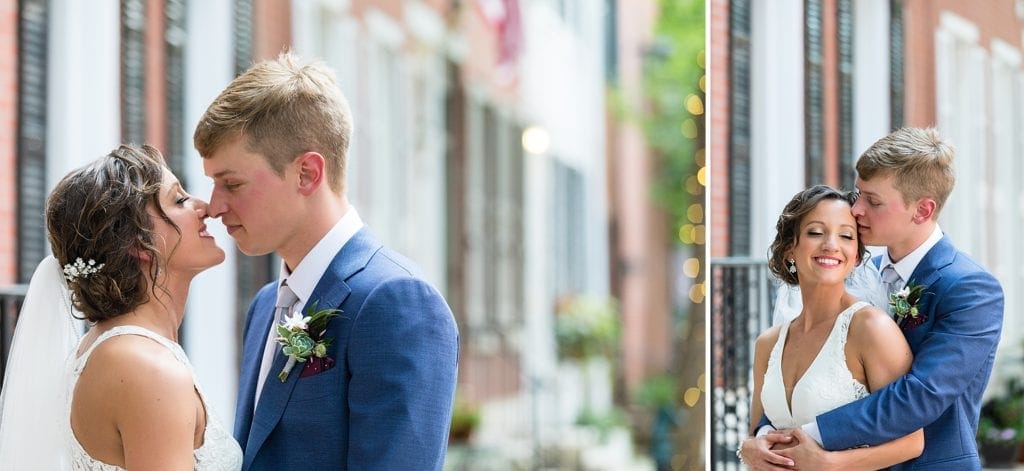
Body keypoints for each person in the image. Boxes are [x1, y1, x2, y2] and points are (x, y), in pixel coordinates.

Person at [193, 52, 460, 470]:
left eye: (232, 184)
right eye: (213, 184)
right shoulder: (266, 306)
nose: (215, 206)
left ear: (307, 174)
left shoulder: (396, 302)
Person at [742, 127, 1005, 470]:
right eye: (858, 194)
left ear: (922, 211)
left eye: (873, 201)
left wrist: (804, 435)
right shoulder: (852, 271)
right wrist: (763, 434)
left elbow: (920, 395)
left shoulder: (970, 289)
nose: (857, 209)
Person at [0, 144, 242, 470]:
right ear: (138, 243)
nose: (203, 207)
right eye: (180, 200)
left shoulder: (119, 348)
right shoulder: (145, 367)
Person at [742, 185, 923, 470]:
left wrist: (830, 463)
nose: (831, 245)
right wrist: (749, 446)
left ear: (856, 256)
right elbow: (759, 435)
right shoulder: (768, 344)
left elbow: (912, 441)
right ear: (790, 248)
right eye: (816, 232)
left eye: (846, 236)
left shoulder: (871, 329)